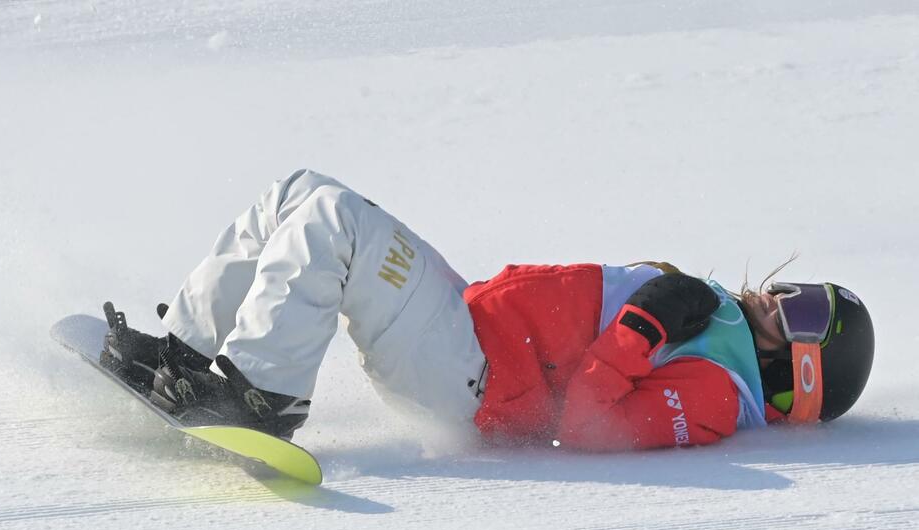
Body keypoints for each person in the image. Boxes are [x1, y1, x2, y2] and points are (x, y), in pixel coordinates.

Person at [101, 168, 875, 451]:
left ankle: (261, 398)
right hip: (469, 328)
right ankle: (184, 348)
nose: (779, 297)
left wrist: (645, 325)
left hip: (474, 378)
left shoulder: (719, 394)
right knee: (304, 192)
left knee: (335, 224)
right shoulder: (720, 324)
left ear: (801, 374)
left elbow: (589, 426)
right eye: (797, 288)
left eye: (803, 311)